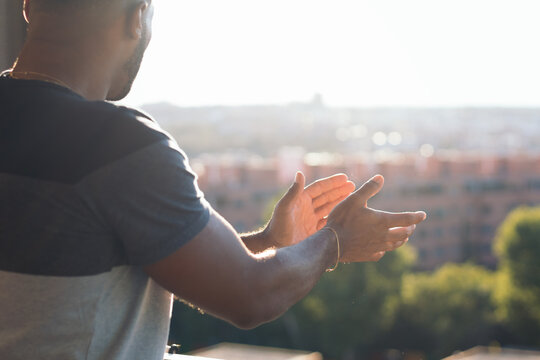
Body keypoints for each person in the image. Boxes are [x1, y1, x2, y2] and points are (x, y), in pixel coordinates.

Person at [0, 0, 426, 359]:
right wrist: (335, 241)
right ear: (138, 17)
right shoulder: (116, 147)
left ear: (29, 6)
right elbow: (249, 296)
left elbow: (128, 253)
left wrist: (268, 241)